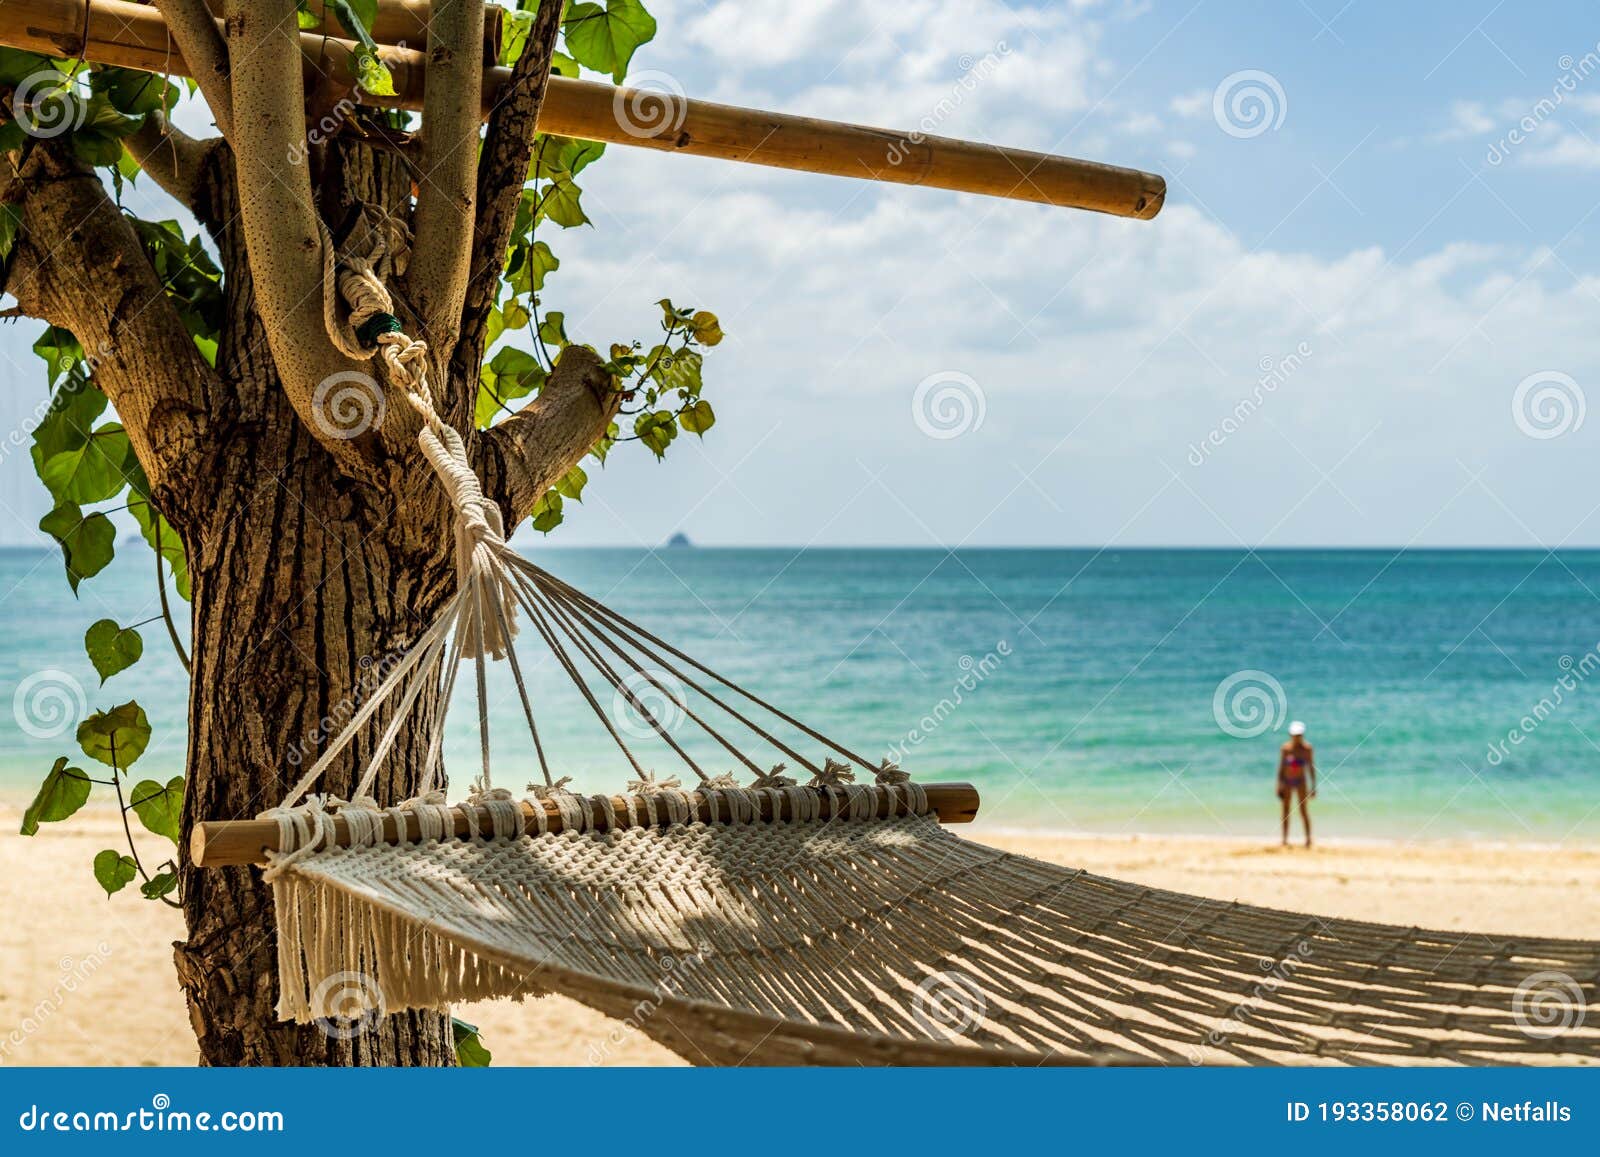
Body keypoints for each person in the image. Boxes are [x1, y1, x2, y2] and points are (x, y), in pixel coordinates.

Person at [1277, 721, 1316, 848]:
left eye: (1299, 735)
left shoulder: (1307, 749)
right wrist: (1279, 784)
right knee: (1285, 811)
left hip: (1301, 782)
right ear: (1290, 735)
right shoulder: (1285, 748)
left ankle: (1308, 839)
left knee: (1303, 810)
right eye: (1295, 735)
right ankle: (1284, 839)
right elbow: (1281, 767)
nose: (1297, 737)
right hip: (1287, 782)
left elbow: (1311, 768)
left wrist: (1313, 786)